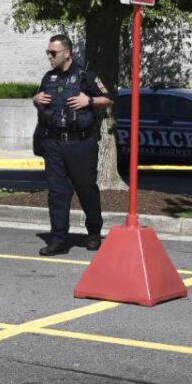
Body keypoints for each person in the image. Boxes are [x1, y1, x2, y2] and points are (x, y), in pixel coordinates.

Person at [32, 34, 113, 256]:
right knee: (57, 193)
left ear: (66, 53)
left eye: (53, 53)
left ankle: (94, 233)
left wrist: (89, 101)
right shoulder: (49, 78)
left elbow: (108, 98)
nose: (49, 56)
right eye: (48, 52)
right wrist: (35, 99)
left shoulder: (85, 75)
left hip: (81, 144)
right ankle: (58, 239)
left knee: (86, 190)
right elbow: (39, 99)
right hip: (54, 143)